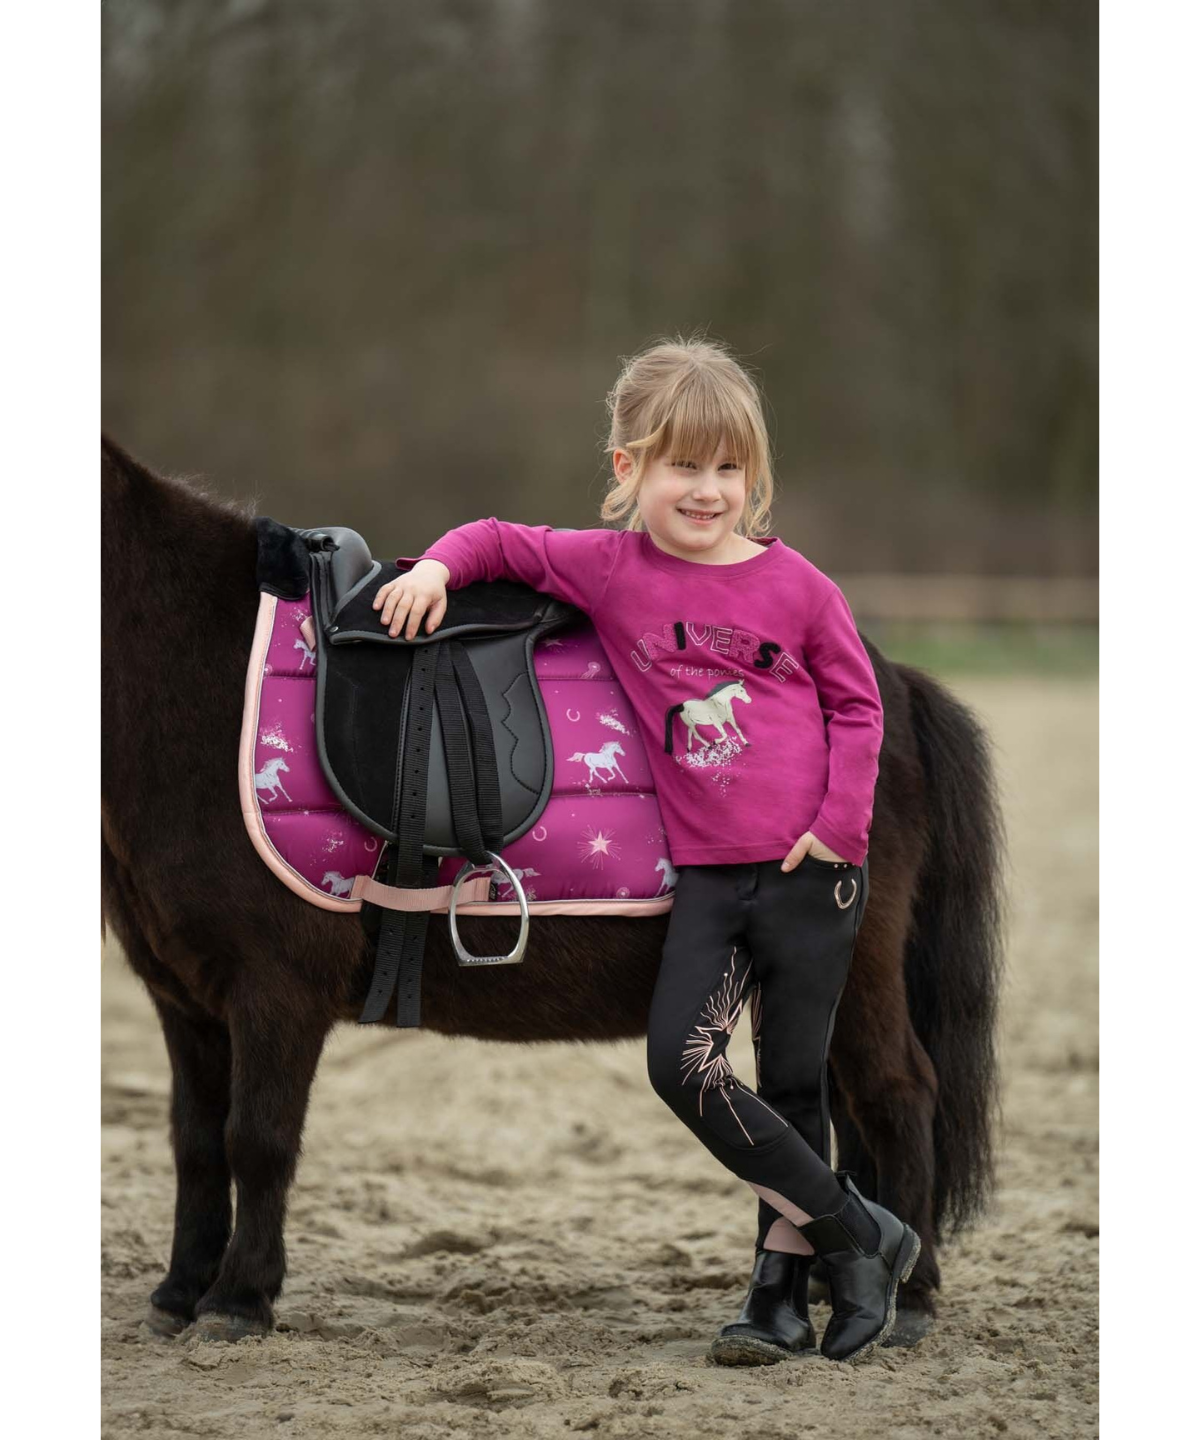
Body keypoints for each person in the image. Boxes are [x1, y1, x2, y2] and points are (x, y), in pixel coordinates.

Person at [372, 334, 918, 1364]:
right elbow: (497, 539)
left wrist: (838, 831)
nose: (707, 490)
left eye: (728, 468)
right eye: (683, 465)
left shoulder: (802, 587)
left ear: (753, 477)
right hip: (709, 878)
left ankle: (779, 1296)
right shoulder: (611, 569)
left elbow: (858, 707)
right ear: (630, 468)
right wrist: (437, 567)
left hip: (811, 874)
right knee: (682, 1065)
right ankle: (862, 1233)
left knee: (792, 1088)